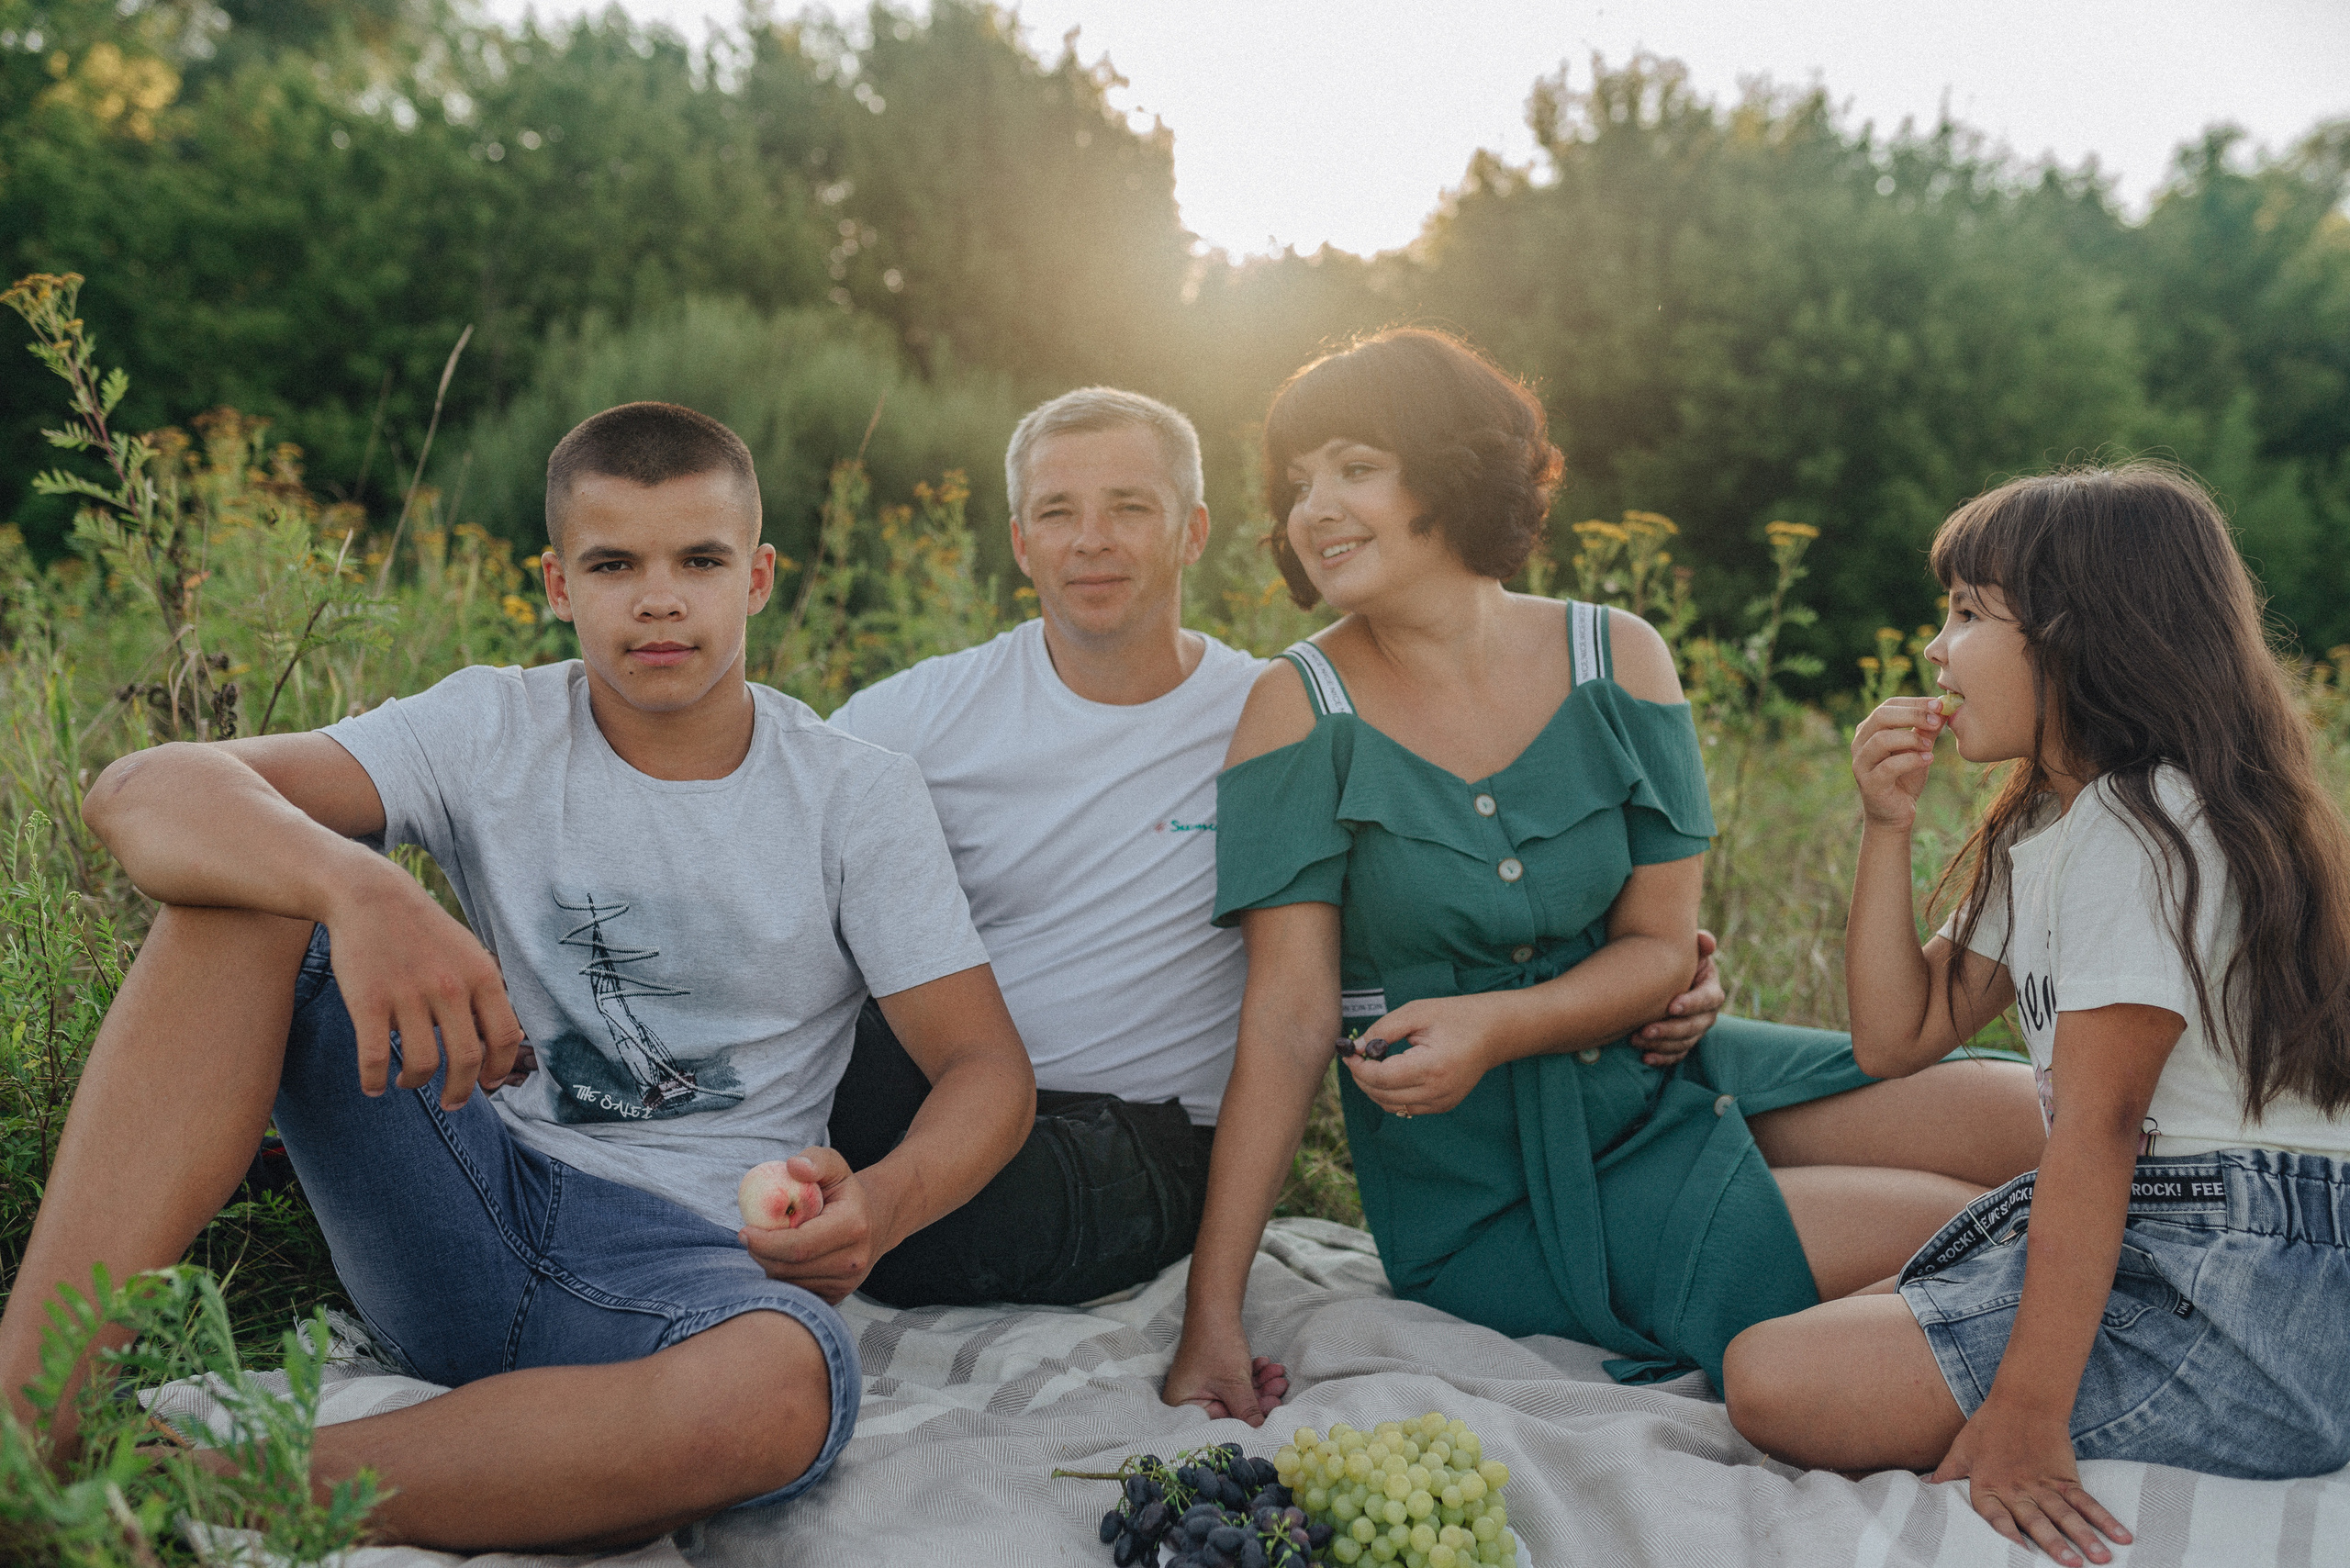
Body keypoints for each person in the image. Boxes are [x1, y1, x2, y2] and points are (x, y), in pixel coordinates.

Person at [0, 402, 1035, 1552]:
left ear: (758, 576)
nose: (657, 598)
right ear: (555, 581)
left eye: (699, 560)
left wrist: (880, 1211)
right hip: (458, 1194)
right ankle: (24, 1424)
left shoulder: (854, 792)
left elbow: (986, 1068)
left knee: (787, 1386)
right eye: (612, 563)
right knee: (243, 902)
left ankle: (216, 1484)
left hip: (694, 1273)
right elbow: (138, 791)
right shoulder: (489, 726)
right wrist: (367, 891)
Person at [1162, 328, 2046, 1424]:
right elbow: (1288, 1022)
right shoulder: (1295, 710)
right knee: (1979, 1224)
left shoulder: (1617, 655)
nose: (1313, 509)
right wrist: (1214, 1312)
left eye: (1354, 466)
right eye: (1298, 484)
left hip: (1663, 1072)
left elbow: (1659, 950)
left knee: (2042, 1122)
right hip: (1496, 1192)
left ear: (1449, 468)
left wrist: (1502, 1020)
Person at [827, 386, 1727, 1327]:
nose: (1091, 539)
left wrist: (1662, 965)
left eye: (1130, 507)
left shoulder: (1273, 714)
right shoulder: (918, 715)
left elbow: (1448, 867)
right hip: (948, 1094)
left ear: (1193, 531)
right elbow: (777, 850)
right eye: (1057, 512)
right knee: (793, 1105)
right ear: (1020, 543)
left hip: (1133, 1142)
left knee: (878, 1221)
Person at [1725, 465, 2350, 1567]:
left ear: (2079, 634)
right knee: (1819, 1332)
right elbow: (1896, 1036)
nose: (1934, 648)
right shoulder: (2060, 826)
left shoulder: (2140, 827)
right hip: (2194, 1227)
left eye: (1968, 613)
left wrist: (2026, 1416)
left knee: (1769, 1378)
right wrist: (1886, 824)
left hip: (2242, 1283)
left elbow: (2099, 1129)